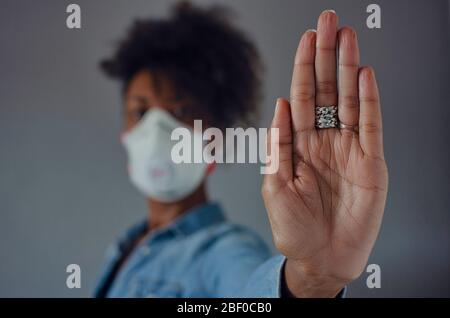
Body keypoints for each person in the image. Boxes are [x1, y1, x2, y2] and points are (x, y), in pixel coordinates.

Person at [93, 2, 388, 298]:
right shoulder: (125, 247)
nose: (156, 130)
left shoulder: (227, 252)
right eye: (140, 112)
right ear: (124, 131)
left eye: (181, 110)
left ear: (215, 134)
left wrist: (312, 277)